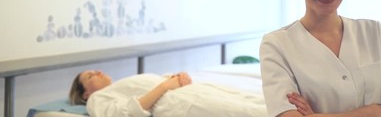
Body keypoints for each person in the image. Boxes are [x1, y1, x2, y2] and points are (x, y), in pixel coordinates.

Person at [69, 69, 267, 117]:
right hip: (180, 104)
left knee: (261, 102)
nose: (98, 72)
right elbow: (127, 113)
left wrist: (176, 77)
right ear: (85, 93)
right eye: (90, 76)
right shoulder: (96, 99)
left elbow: (150, 85)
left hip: (192, 90)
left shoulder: (120, 83)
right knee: (246, 111)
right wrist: (165, 87)